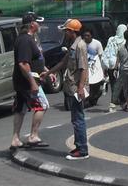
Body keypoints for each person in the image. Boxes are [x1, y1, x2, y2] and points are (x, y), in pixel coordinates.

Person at [43, 19, 89, 160]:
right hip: (71, 87)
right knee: (75, 118)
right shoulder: (73, 46)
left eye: (66, 31)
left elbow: (83, 69)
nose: (65, 33)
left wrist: (81, 88)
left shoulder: (80, 46)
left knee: (78, 118)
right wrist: (49, 72)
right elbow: (63, 62)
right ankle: (79, 146)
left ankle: (82, 150)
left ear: (72, 32)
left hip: (76, 88)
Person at [10, 13, 48, 150]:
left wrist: (46, 70)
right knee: (42, 105)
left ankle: (15, 139)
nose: (40, 24)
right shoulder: (25, 40)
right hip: (27, 83)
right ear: (32, 24)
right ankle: (33, 136)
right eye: (38, 22)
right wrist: (32, 82)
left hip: (25, 81)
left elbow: (34, 59)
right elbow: (23, 64)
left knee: (20, 109)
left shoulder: (29, 38)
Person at [103, 23, 127, 111]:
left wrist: (105, 68)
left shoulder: (111, 39)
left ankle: (116, 101)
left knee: (113, 84)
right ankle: (119, 102)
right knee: (121, 84)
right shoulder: (125, 41)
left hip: (110, 65)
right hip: (120, 66)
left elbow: (107, 51)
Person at [82, 29, 106, 108]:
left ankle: (93, 98)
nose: (86, 37)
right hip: (85, 68)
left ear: (91, 36)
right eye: (85, 35)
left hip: (95, 68)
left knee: (95, 86)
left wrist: (103, 70)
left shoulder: (97, 43)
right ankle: (86, 100)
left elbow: (101, 57)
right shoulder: (81, 44)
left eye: (88, 35)